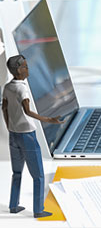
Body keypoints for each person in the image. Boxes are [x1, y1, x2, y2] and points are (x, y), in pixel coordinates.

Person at [2, 55, 63, 218]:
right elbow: (27, 111)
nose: (28, 69)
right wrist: (49, 119)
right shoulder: (22, 88)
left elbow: (4, 108)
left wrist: (9, 125)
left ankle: (13, 205)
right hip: (27, 135)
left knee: (17, 173)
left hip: (13, 135)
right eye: (26, 66)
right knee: (38, 176)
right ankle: (38, 210)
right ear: (18, 70)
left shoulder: (7, 87)